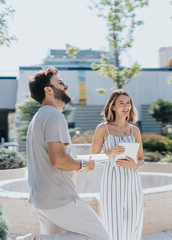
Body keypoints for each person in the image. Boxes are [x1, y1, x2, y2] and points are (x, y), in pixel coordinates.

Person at [17, 67, 109, 240]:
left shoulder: (38, 118)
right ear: (48, 90)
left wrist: (73, 163)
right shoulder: (54, 116)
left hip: (42, 199)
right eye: (60, 82)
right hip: (60, 200)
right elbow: (58, 159)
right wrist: (84, 164)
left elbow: (52, 158)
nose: (66, 85)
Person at [91, 89, 144, 240]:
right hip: (111, 182)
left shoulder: (134, 130)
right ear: (112, 106)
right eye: (121, 103)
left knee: (134, 224)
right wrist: (110, 153)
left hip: (133, 182)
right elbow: (92, 159)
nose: (126, 106)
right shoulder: (103, 129)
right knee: (113, 227)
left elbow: (141, 159)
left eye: (128, 103)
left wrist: (135, 166)